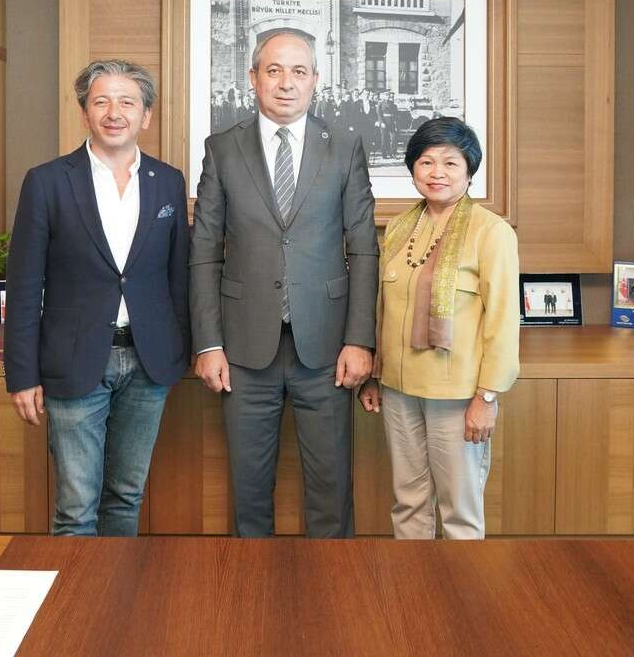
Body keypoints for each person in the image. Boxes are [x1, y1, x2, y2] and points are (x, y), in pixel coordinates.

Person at [191, 31, 379, 537]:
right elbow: (204, 250)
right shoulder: (223, 148)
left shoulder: (344, 147)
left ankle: (333, 582)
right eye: (273, 70)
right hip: (243, 349)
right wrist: (208, 343)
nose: (286, 83)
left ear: (315, 79)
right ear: (253, 78)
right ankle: (251, 584)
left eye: (299, 71)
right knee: (248, 493)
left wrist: (360, 340)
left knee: (331, 492)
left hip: (328, 348)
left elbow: (363, 248)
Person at [4, 59, 191, 536]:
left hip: (148, 363)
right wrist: (22, 375)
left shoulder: (168, 182)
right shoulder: (47, 181)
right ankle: (77, 589)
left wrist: (181, 352)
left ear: (146, 115)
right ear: (84, 112)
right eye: (101, 101)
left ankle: (115, 586)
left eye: (127, 102)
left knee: (126, 497)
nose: (114, 112)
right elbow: (24, 286)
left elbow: (179, 278)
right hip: (74, 361)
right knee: (76, 508)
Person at [359, 117, 520, 539]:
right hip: (398, 389)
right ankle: (413, 582)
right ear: (413, 168)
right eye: (426, 162)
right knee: (408, 504)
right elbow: (381, 307)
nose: (437, 173)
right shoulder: (400, 227)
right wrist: (374, 375)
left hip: (457, 395)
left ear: (469, 170)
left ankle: (461, 585)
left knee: (459, 509)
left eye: (450, 163)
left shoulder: (492, 232)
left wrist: (487, 397)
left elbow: (504, 322)